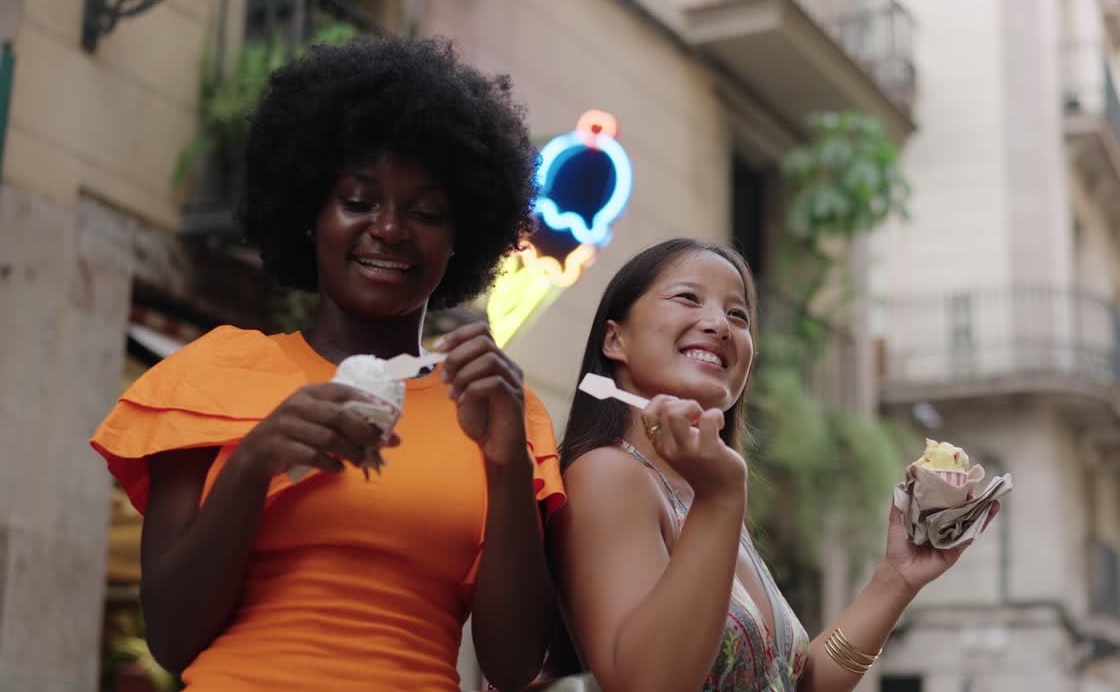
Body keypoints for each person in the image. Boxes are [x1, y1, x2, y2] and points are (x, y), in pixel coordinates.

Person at [91, 36, 563, 691]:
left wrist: (507, 466)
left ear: (461, 239)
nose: (391, 229)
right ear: (310, 215)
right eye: (359, 200)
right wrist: (254, 461)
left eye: (425, 212)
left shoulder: (499, 409)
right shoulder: (212, 375)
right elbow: (171, 637)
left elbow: (513, 666)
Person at [550, 238, 997, 691]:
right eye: (688, 298)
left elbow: (789, 684)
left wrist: (897, 578)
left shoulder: (705, 494)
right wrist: (721, 498)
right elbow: (646, 684)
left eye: (737, 315)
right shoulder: (610, 474)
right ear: (615, 339)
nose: (719, 325)